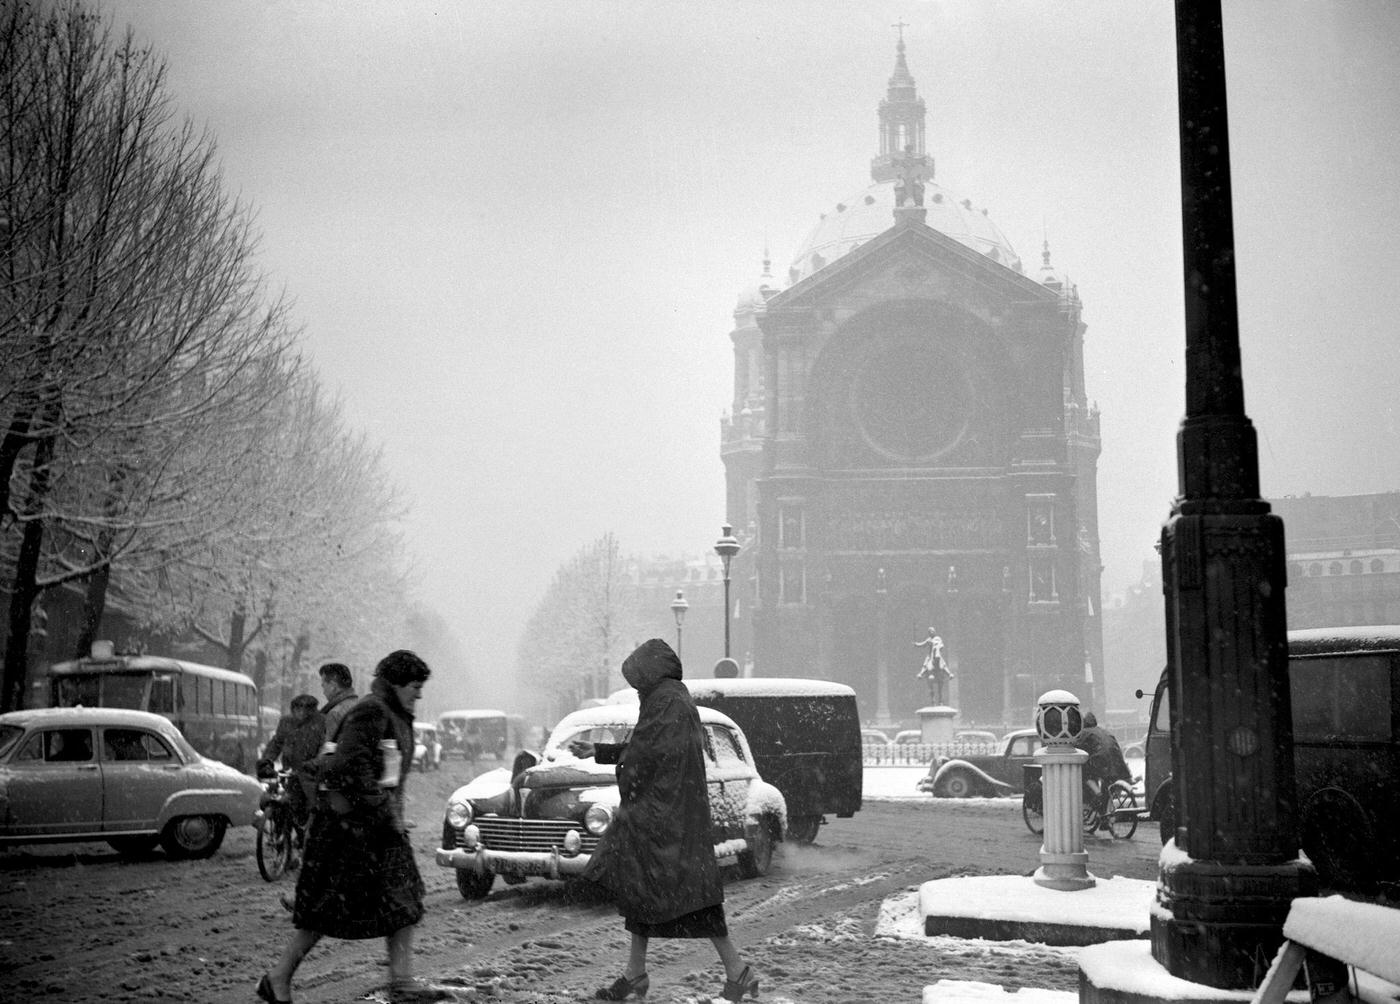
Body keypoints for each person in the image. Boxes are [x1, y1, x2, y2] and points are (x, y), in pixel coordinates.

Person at [567, 638, 760, 1003]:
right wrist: (603, 750)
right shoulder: (667, 698)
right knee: (642, 892)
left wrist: (623, 763)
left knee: (692, 898)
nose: (636, 686)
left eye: (638, 679)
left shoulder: (667, 701)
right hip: (665, 815)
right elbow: (647, 744)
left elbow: (651, 751)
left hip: (667, 818)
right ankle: (636, 974)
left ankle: (738, 971)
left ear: (649, 672)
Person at [258, 650, 443, 1004]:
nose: (419, 694)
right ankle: (277, 978)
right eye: (415, 687)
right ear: (395, 683)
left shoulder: (394, 711)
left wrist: (388, 814)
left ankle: (402, 982)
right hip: (350, 829)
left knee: (404, 901)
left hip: (375, 826)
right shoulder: (373, 709)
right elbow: (347, 765)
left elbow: (380, 767)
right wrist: (379, 808)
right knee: (326, 911)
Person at [256, 694, 325, 829]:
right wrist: (266, 761)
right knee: (278, 801)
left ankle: (301, 834)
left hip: (310, 774)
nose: (301, 712)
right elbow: (276, 743)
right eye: (298, 709)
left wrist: (314, 763)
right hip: (290, 772)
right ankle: (279, 827)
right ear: (293, 709)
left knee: (307, 810)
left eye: (306, 709)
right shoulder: (286, 721)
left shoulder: (321, 722)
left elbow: (325, 748)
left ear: (312, 710)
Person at [1076, 711, 1132, 820]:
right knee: (1108, 785)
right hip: (1116, 761)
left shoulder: (1084, 733)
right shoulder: (1104, 731)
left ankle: (1097, 793)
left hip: (1101, 760)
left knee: (1085, 774)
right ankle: (1105, 815)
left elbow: (1078, 749)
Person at [317, 661, 358, 746]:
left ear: (333, 686)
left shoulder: (334, 713)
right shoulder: (361, 705)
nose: (323, 692)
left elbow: (330, 752)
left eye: (323, 685)